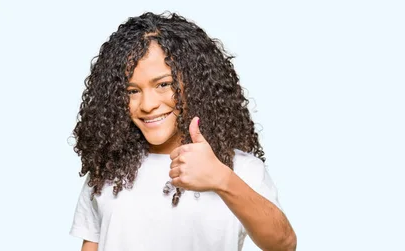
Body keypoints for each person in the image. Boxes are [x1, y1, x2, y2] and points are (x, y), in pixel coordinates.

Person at [69, 12, 297, 251]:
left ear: (194, 83)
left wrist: (222, 179)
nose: (147, 104)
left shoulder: (240, 169)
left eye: (163, 85)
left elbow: (283, 245)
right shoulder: (109, 171)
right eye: (132, 91)